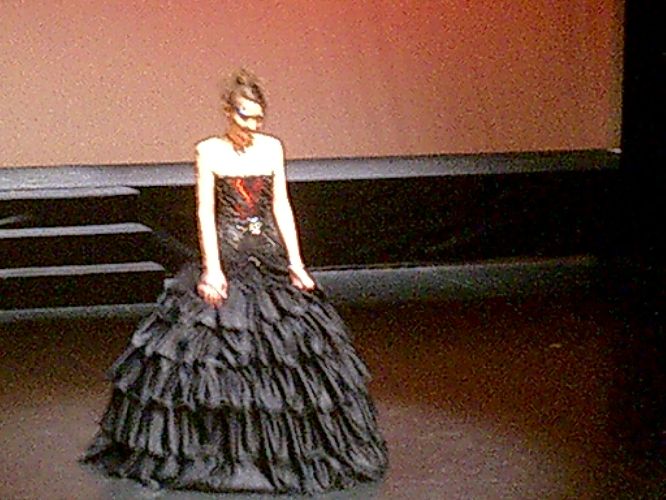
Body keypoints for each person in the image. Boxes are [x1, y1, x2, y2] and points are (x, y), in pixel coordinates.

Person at [80, 69, 388, 495]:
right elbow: (205, 212)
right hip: (227, 256)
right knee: (211, 350)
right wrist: (212, 268)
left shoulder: (272, 147)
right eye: (245, 116)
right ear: (228, 112)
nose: (253, 125)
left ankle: (280, 451)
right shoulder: (208, 151)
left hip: (268, 256)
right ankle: (217, 449)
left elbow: (281, 206)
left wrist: (297, 263)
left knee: (289, 351)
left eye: (259, 117)